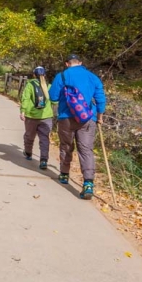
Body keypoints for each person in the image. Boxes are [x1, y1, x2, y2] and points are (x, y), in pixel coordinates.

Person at [49, 54, 107, 199]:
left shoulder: (61, 76)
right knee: (86, 149)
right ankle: (88, 183)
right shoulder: (92, 77)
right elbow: (100, 98)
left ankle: (64, 174)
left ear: (67, 63)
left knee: (66, 146)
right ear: (80, 63)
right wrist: (99, 117)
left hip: (66, 117)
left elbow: (53, 97)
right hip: (87, 118)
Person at [19, 66, 55, 169]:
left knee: (29, 136)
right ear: (45, 74)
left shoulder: (30, 85)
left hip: (31, 116)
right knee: (44, 139)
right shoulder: (49, 86)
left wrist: (23, 111)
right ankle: (44, 160)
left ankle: (28, 153)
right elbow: (55, 101)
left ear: (34, 74)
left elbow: (25, 99)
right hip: (46, 116)